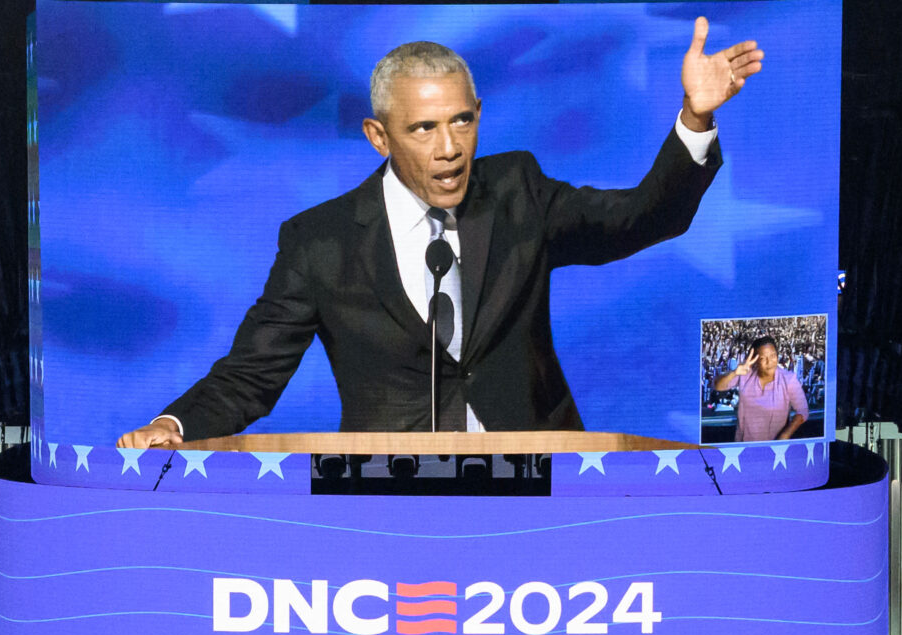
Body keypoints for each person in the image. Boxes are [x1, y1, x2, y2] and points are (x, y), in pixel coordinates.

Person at [115, 25, 763, 448]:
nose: (450, 148)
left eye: (462, 122)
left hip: (541, 487)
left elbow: (643, 218)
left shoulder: (517, 192)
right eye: (424, 129)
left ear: (479, 116)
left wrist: (695, 117)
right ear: (379, 136)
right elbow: (250, 376)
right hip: (388, 498)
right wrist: (174, 425)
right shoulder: (321, 242)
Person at [714, 338, 811, 440]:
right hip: (745, 446)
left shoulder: (788, 379)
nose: (769, 362)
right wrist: (734, 373)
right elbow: (718, 386)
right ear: (755, 360)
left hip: (775, 447)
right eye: (763, 358)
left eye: (773, 356)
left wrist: (785, 434)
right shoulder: (745, 374)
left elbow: (803, 410)